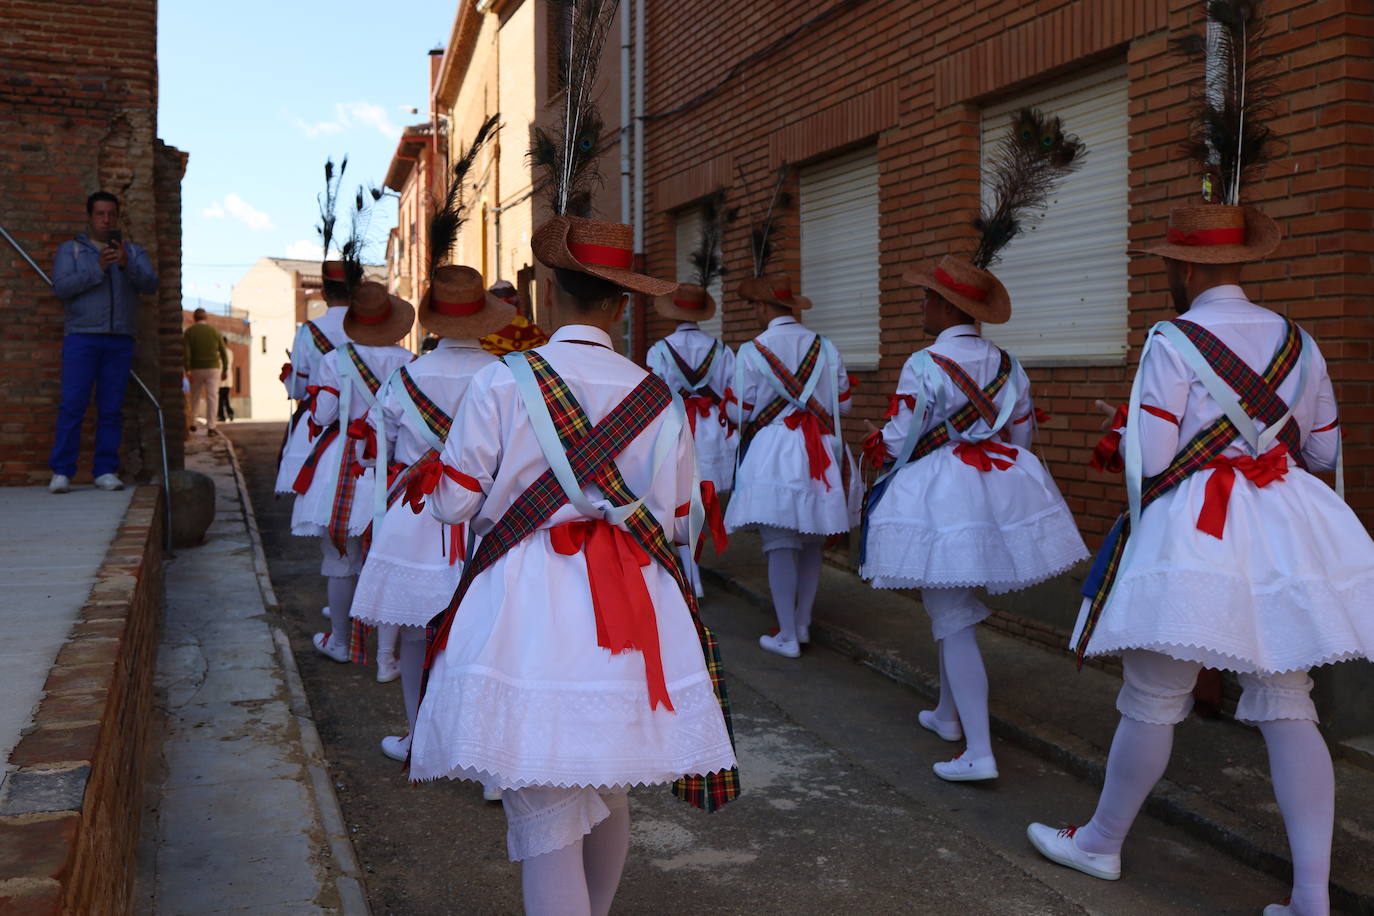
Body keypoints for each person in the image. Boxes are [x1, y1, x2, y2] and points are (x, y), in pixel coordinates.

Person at [1028, 14, 1373, 909]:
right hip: (1289, 524)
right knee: (1289, 702)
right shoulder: (1301, 340)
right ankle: (1309, 896)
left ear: (1182, 270)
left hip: (1201, 530)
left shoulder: (1171, 340)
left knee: (1151, 698)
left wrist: (1129, 442)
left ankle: (1101, 842)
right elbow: (1328, 452)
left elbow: (1146, 460)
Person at [413, 213, 739, 915]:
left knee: (546, 817)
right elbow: (681, 519)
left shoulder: (503, 383)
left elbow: (451, 507)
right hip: (631, 604)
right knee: (607, 785)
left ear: (547, 296)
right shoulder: (657, 395)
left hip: (528, 605)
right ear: (622, 304)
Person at [861, 109, 1088, 782]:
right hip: (996, 484)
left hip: (939, 488)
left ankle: (980, 751)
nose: (921, 307)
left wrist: (883, 467)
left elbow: (903, 438)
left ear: (946, 309)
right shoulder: (1010, 365)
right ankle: (947, 713)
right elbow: (1023, 434)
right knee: (952, 607)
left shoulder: (923, 364)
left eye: (929, 299)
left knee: (951, 614)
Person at [349, 265, 506, 765]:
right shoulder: (506, 374)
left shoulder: (403, 378)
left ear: (433, 320)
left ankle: (420, 740)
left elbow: (381, 454)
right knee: (484, 639)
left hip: (417, 516)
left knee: (417, 632)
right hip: (487, 515)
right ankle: (486, 763)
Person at [724, 275, 860, 659]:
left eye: (756, 306)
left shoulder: (751, 351)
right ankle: (801, 623)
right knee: (813, 542)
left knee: (780, 543)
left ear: (765, 308)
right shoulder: (827, 348)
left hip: (774, 451)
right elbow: (844, 405)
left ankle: (786, 633)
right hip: (820, 449)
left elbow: (740, 410)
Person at [290, 281, 414, 664]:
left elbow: (324, 415)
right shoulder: (407, 361)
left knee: (341, 558)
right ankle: (386, 655)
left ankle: (341, 642)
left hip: (344, 465)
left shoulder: (335, 360)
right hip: (389, 464)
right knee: (388, 556)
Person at [48, 190, 158, 493]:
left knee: (111, 408)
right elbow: (62, 288)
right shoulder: (70, 251)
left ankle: (105, 470)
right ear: (89, 217)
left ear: (117, 217)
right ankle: (62, 471)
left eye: (111, 214)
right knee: (72, 404)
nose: (106, 219)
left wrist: (125, 265)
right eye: (100, 214)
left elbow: (150, 284)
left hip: (120, 339)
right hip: (81, 337)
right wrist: (97, 268)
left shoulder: (133, 252)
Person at [646, 282, 736, 594]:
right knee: (705, 499)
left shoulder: (658, 351)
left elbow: (654, 398)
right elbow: (731, 393)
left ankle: (691, 574)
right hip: (711, 434)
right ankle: (693, 572)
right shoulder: (722, 350)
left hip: (675, 429)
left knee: (683, 501)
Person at [184, 307, 228, 432]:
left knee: (195, 396)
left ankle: (193, 422)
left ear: (194, 318)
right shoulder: (214, 331)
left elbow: (186, 353)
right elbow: (223, 352)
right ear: (206, 318)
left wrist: (187, 370)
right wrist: (225, 369)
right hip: (213, 368)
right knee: (213, 397)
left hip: (196, 368)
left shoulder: (189, 332)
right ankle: (211, 426)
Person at [217, 346, 236, 423]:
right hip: (228, 377)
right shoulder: (230, 352)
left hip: (220, 377)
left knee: (221, 398)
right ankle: (229, 412)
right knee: (225, 397)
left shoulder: (218, 352)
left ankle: (222, 415)